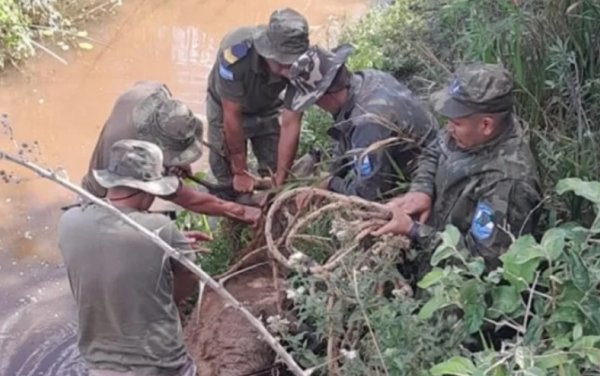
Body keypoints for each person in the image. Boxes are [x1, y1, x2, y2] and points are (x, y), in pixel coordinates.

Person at [59, 139, 203, 376]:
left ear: (111, 182)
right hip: (156, 372)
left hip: (100, 372)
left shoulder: (69, 221)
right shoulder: (161, 227)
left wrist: (168, 240)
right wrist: (170, 302)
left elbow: (107, 247)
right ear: (147, 190)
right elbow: (190, 276)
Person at [373, 63, 540, 269]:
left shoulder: (508, 182)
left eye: (456, 123)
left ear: (486, 125)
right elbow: (434, 151)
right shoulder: (468, 131)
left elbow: (484, 263)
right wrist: (422, 190)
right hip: (432, 256)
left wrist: (415, 231)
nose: (449, 128)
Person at [82, 80, 259, 224]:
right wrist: (241, 211)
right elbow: (189, 199)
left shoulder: (152, 94)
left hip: (115, 173)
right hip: (101, 198)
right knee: (133, 228)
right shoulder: (137, 154)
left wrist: (180, 160)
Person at [284, 45, 438, 201]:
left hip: (426, 177)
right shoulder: (367, 78)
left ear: (324, 97)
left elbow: (369, 192)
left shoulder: (366, 123)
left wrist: (330, 184)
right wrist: (332, 171)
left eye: (315, 102)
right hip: (429, 147)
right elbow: (344, 132)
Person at [206, 8, 308, 196]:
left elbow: (291, 122)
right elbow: (231, 115)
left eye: (292, 64)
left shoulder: (304, 65)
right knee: (225, 171)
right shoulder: (235, 54)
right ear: (267, 51)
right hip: (226, 107)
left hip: (267, 105)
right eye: (283, 64)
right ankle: (233, 212)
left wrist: (281, 176)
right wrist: (240, 171)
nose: (288, 72)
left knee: (274, 163)